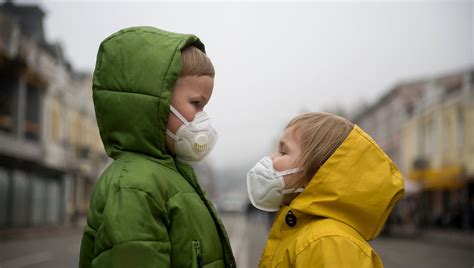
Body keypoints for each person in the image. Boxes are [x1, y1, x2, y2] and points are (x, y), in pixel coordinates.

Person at [79, 26, 236, 268]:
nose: (202, 118)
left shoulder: (172, 174)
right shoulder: (134, 187)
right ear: (156, 102)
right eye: (196, 103)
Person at [247, 112, 405, 267]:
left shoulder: (328, 243)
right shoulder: (305, 231)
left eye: (283, 151)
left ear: (317, 171)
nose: (271, 158)